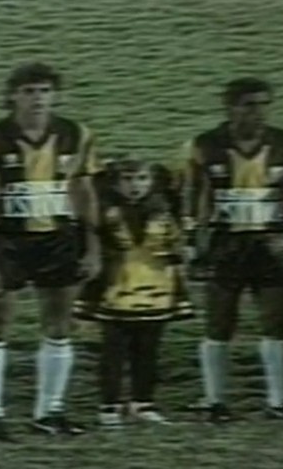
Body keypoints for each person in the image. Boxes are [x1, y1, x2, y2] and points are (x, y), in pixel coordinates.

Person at [0, 62, 103, 441]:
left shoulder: (76, 134)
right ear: (12, 96)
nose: (37, 98)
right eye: (28, 91)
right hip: (8, 242)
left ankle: (49, 411)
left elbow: (83, 190)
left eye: (43, 91)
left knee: (59, 325)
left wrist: (92, 245)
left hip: (59, 239)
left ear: (55, 94)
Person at [183, 77, 283, 423]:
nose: (259, 112)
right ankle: (214, 400)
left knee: (276, 322)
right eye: (250, 105)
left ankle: (280, 400)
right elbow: (195, 196)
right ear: (231, 107)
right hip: (227, 245)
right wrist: (195, 243)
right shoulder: (205, 145)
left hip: (271, 245)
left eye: (264, 104)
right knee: (219, 323)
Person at [74, 159, 195, 428]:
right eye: (128, 180)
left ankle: (143, 402)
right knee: (113, 351)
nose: (135, 186)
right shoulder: (104, 210)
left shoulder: (163, 209)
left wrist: (181, 251)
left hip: (157, 288)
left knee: (149, 349)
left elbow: (177, 242)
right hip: (116, 288)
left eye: (141, 179)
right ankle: (109, 406)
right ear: (116, 183)